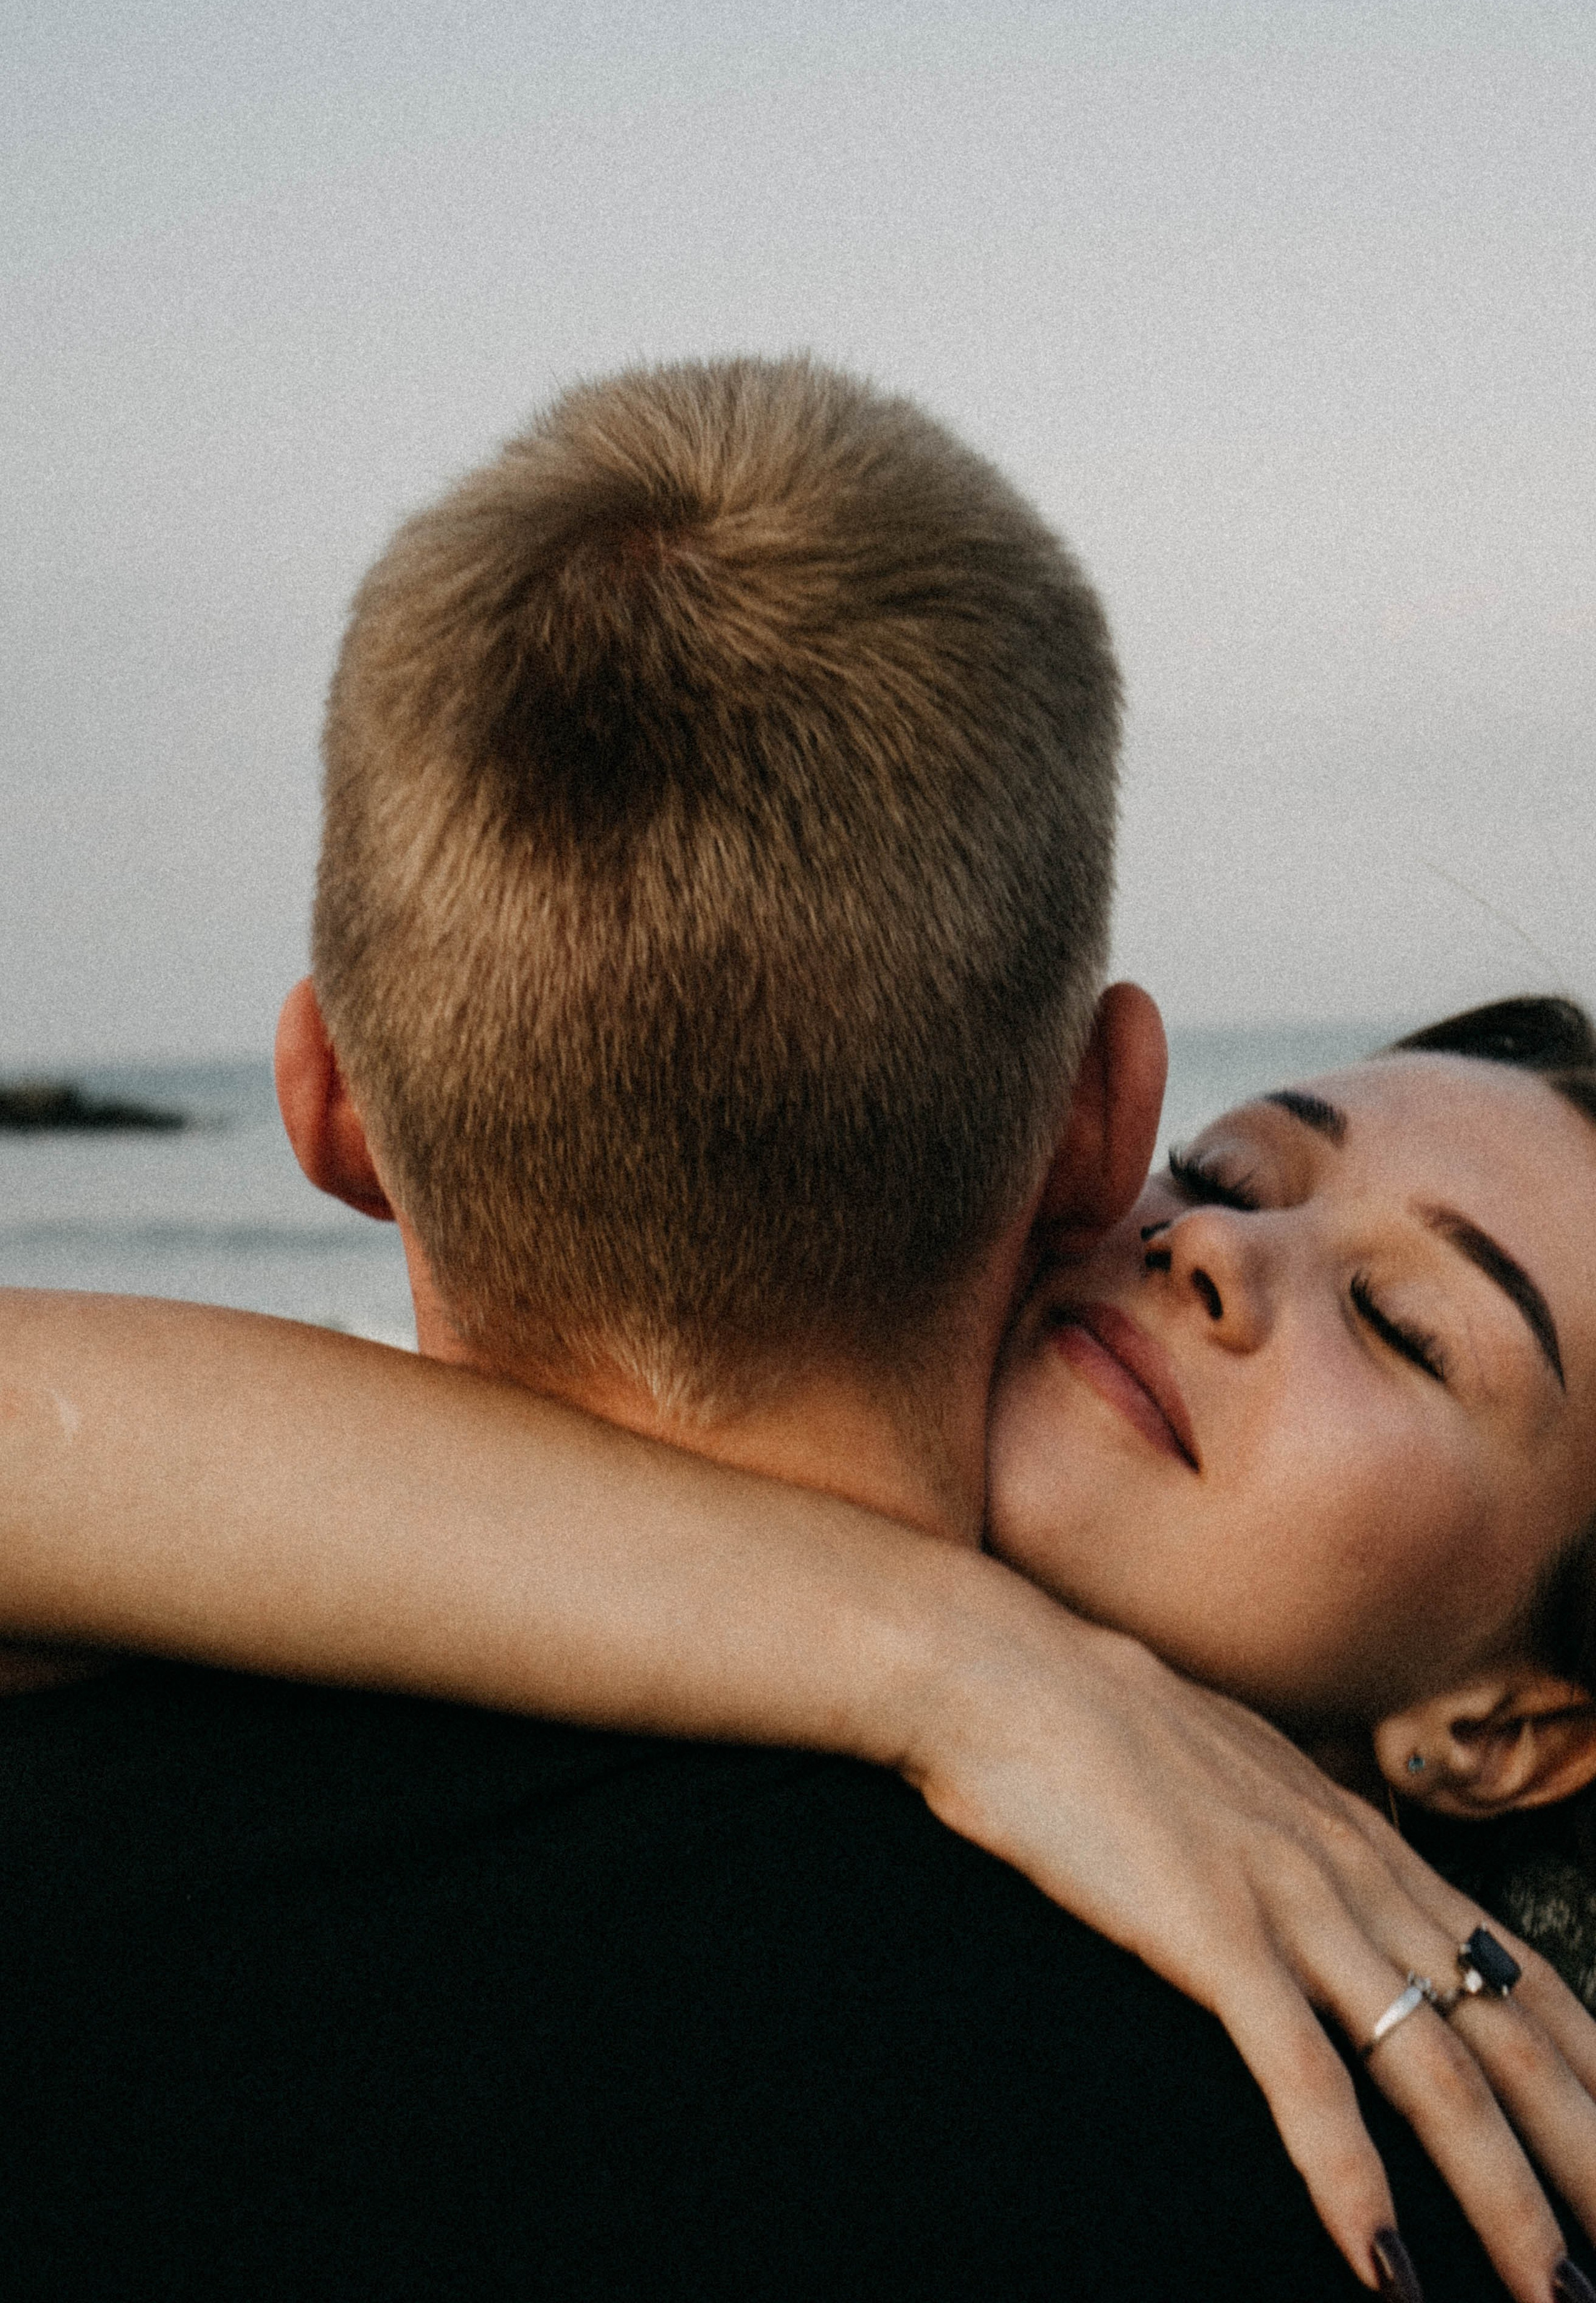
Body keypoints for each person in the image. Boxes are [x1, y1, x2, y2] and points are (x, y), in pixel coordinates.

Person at [1, 356, 1591, 2301]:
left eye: (1412, 1326)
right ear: (1103, 1132)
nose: (1213, 1258)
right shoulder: (1404, 2208)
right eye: (1228, 1172)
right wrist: (951, 1656)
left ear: (325, 1105)